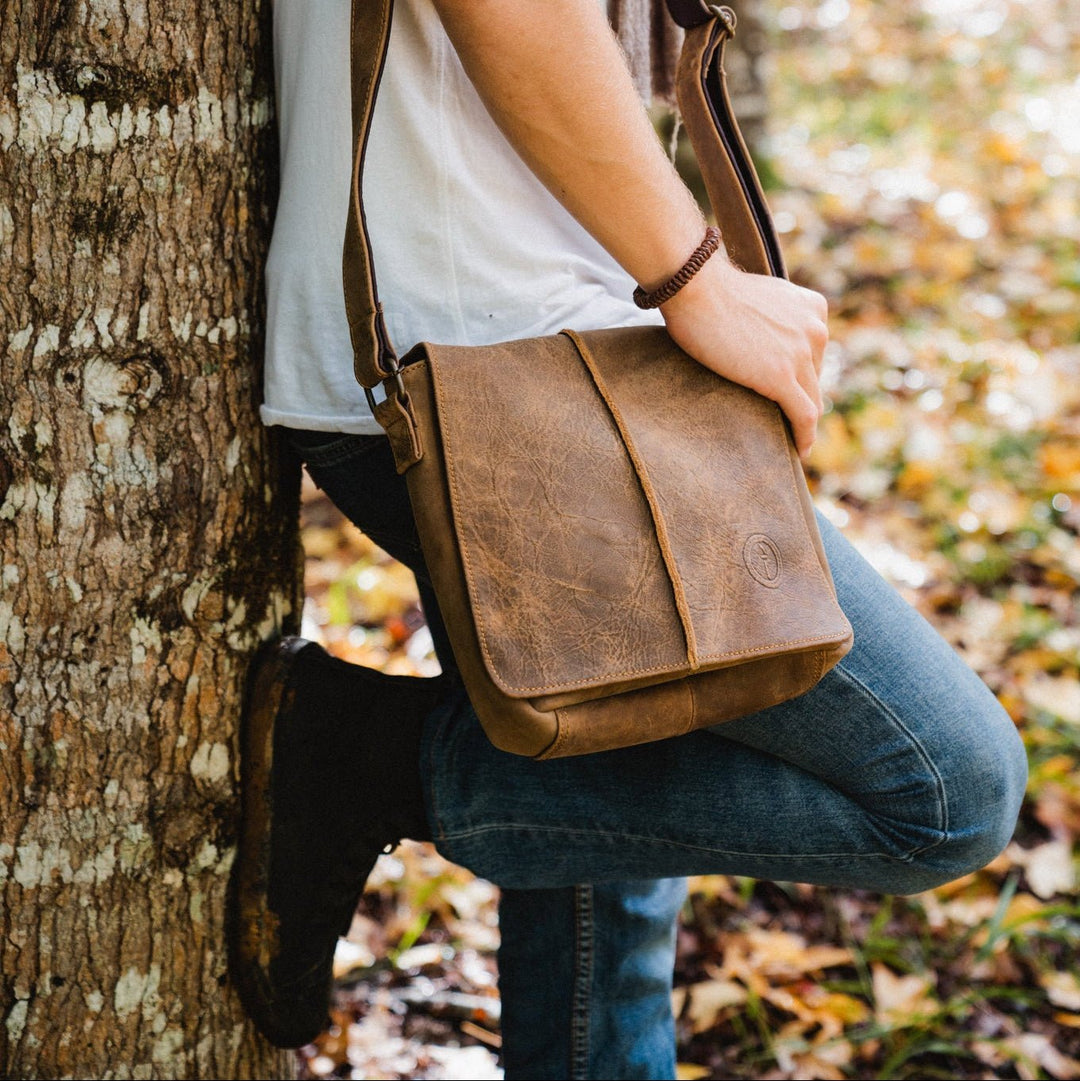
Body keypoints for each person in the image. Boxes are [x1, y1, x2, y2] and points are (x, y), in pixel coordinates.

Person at [230, 1, 1029, 1077]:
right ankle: (367, 756)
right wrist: (695, 276)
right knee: (945, 790)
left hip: (545, 338)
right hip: (472, 367)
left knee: (620, 820)